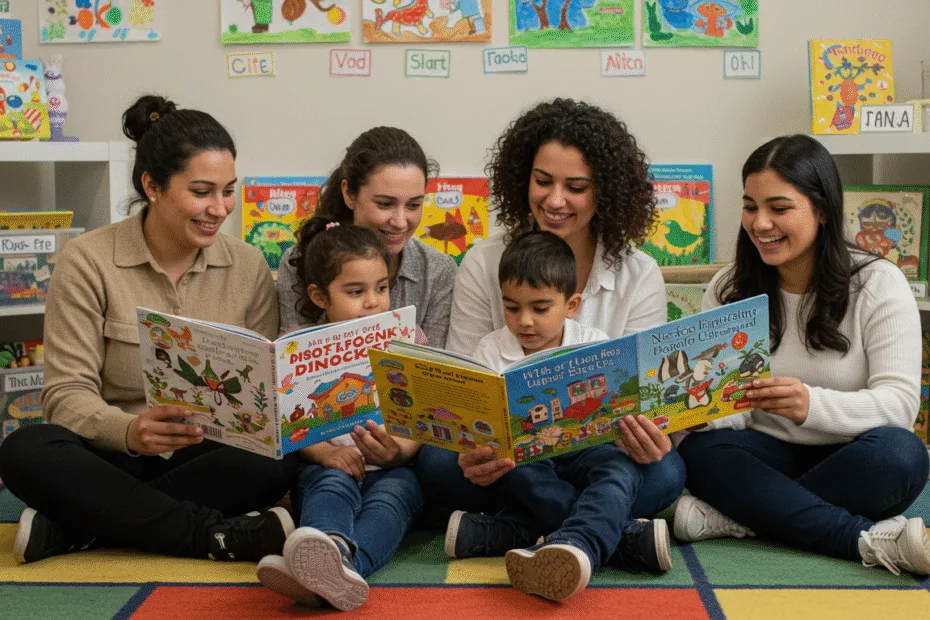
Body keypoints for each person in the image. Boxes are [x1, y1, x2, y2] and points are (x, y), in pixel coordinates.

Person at [0, 95, 297, 563]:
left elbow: (267, 390)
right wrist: (130, 431)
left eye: (228, 190)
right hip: (108, 452)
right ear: (152, 185)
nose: (220, 209)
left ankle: (82, 527)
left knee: (278, 461)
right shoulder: (87, 260)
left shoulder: (249, 265)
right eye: (202, 192)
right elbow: (66, 394)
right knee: (26, 448)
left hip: (207, 455)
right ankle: (212, 536)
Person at [417, 98, 682, 557]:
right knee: (438, 463)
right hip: (513, 462)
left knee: (666, 471)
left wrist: (651, 435)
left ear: (606, 191)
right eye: (542, 181)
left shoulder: (638, 274)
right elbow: (463, 384)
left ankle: (515, 531)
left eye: (575, 186)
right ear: (523, 179)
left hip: (597, 457)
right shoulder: (484, 261)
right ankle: (607, 535)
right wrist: (470, 447)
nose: (554, 200)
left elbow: (646, 396)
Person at [675, 134, 930, 577]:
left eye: (779, 208)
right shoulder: (728, 287)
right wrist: (702, 412)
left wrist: (811, 405)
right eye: (750, 206)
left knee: (903, 456)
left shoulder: (878, 284)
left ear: (823, 209)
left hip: (853, 454)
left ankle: (743, 518)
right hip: (762, 452)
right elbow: (730, 410)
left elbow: (900, 405)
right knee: (699, 451)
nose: (760, 223)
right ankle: (861, 540)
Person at [446, 230, 680, 602]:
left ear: (571, 305)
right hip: (529, 460)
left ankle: (530, 536)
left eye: (540, 309)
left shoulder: (594, 343)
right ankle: (610, 541)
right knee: (516, 471)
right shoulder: (489, 349)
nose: (524, 321)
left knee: (620, 470)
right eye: (511, 307)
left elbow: (619, 405)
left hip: (589, 450)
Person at [258, 217, 423, 611]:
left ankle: (341, 567)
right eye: (355, 291)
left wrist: (399, 452)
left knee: (393, 500)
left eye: (382, 288)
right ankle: (330, 547)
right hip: (328, 463)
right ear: (319, 295)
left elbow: (420, 419)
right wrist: (324, 454)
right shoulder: (294, 346)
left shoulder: (410, 339)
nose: (373, 301)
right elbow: (290, 425)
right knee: (329, 488)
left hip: (395, 468)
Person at [276, 127, 456, 347]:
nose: (400, 221)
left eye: (414, 205)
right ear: (349, 194)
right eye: (384, 204)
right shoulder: (300, 259)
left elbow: (433, 368)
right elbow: (290, 357)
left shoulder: (438, 271)